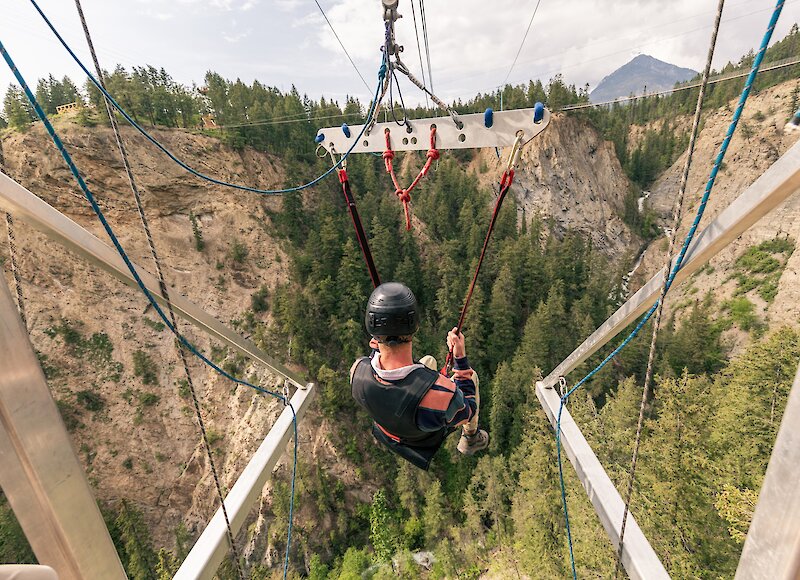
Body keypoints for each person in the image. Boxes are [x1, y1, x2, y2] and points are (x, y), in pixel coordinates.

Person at [350, 282, 489, 470]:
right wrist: (459, 356)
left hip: (390, 427)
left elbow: (375, 354)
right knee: (471, 379)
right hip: (421, 435)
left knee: (429, 361)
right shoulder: (443, 396)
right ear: (414, 327)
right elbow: (468, 409)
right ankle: (470, 438)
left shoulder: (357, 371)